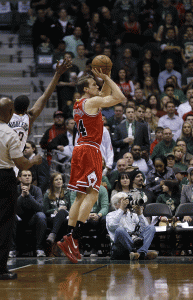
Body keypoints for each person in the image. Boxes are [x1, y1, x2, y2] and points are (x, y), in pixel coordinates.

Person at [57, 68, 126, 263]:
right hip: (90, 150)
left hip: (79, 150)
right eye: (94, 84)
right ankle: (75, 236)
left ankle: (69, 238)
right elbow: (119, 96)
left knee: (80, 196)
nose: (97, 86)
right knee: (93, 193)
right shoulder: (93, 101)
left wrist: (104, 79)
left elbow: (103, 93)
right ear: (87, 89)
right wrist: (107, 78)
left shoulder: (79, 104)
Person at [0, 97, 42, 280]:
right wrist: (33, 161)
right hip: (4, 177)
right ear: (8, 111)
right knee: (5, 224)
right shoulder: (9, 133)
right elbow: (20, 163)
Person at [8, 58, 72, 174]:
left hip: (2, 159)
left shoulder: (4, 118)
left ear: (12, 107)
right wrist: (57, 74)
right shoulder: (29, 117)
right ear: (27, 108)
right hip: (16, 159)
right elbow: (45, 96)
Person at [106, 192, 158, 260]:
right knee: (120, 230)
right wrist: (121, 209)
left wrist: (140, 214)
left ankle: (140, 253)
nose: (126, 203)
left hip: (136, 241)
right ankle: (140, 253)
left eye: (127, 201)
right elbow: (112, 225)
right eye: (123, 201)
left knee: (151, 228)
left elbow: (145, 228)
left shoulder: (133, 214)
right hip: (120, 246)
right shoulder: (110, 215)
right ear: (116, 205)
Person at [9, 170, 47, 258]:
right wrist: (22, 196)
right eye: (25, 175)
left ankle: (39, 249)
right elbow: (13, 208)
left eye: (29, 175)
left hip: (32, 219)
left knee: (41, 215)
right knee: (11, 216)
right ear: (19, 178)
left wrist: (29, 196)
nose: (27, 177)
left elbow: (40, 208)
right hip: (18, 219)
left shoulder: (37, 190)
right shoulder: (15, 189)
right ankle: (12, 250)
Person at [43, 172, 71, 252]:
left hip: (65, 216)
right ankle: (62, 248)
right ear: (52, 182)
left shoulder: (67, 193)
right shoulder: (47, 194)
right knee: (61, 216)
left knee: (63, 213)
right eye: (56, 180)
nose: (59, 181)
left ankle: (53, 234)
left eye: (60, 179)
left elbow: (71, 209)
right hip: (52, 218)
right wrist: (56, 210)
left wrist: (62, 211)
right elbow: (45, 211)